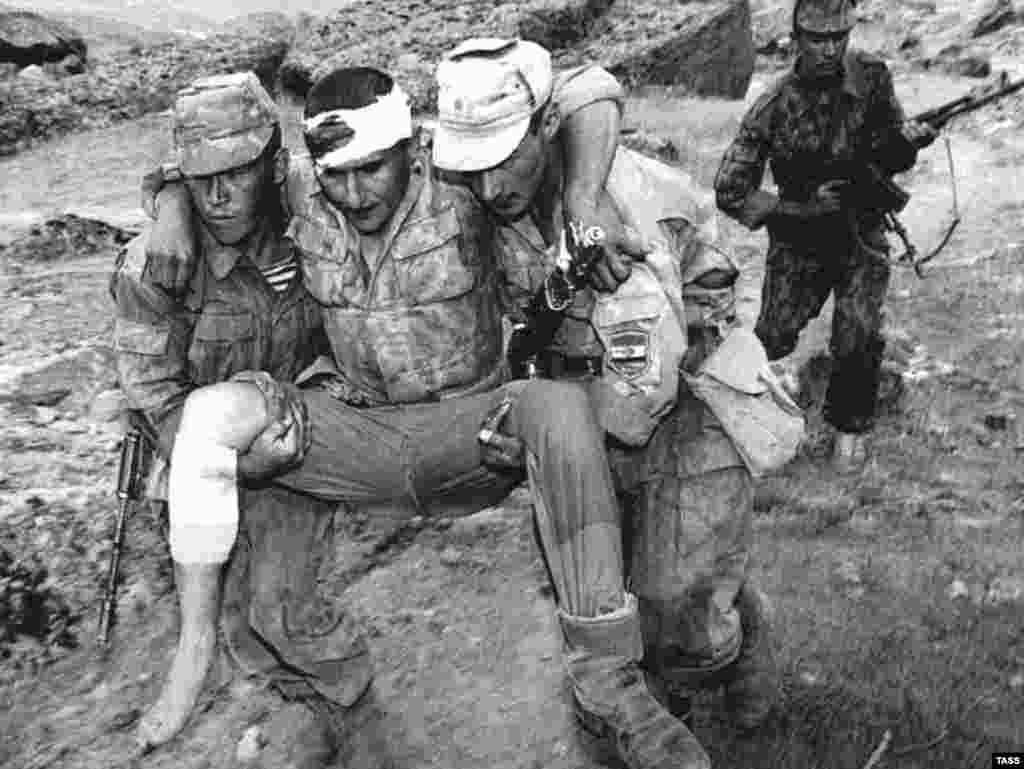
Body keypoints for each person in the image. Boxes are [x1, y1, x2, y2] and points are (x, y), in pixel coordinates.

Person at [140, 65, 708, 769]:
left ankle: (607, 676)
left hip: (471, 430)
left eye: (372, 170)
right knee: (209, 417)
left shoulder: (462, 176)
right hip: (358, 430)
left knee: (559, 410)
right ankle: (200, 649)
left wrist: (586, 194)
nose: (352, 194)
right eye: (336, 177)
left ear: (412, 148)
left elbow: (585, 92)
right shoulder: (302, 190)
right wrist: (168, 200)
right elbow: (215, 163)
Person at [430, 37, 783, 751]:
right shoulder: (512, 194)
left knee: (680, 594)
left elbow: (640, 390)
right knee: (603, 578)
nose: (490, 186)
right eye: (473, 168)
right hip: (578, 386)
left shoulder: (626, 216)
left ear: (545, 129)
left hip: (682, 392)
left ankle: (742, 636)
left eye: (504, 158)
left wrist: (534, 422)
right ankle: (649, 684)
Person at [112, 72, 376, 768]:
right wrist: (235, 464)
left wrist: (315, 401)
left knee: (280, 609)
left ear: (269, 162)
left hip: (304, 429)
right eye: (202, 181)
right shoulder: (154, 268)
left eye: (238, 173)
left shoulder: (314, 209)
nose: (221, 197)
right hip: (208, 458)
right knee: (236, 630)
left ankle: (351, 705)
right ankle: (254, 687)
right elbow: (160, 400)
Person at [713, 0, 937, 471]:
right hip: (799, 241)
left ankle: (849, 429)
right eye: (818, 38)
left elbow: (887, 152)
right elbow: (731, 190)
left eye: (839, 36)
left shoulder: (872, 77)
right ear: (797, 37)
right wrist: (798, 209)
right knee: (772, 335)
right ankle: (732, 412)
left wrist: (908, 142)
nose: (830, 48)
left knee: (858, 328)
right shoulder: (772, 106)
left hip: (860, 227)